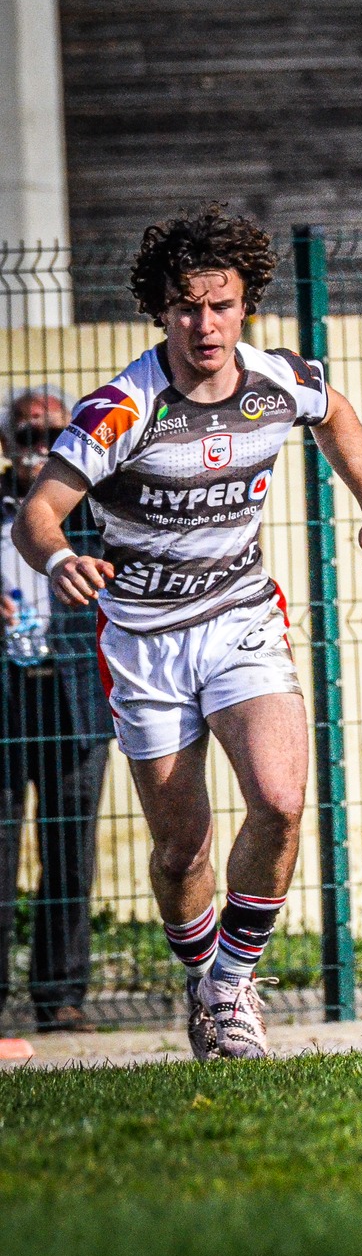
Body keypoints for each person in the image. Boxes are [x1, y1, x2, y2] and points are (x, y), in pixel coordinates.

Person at [11, 205, 362, 1059]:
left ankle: (229, 990)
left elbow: (334, 411)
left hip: (240, 622)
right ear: (162, 309)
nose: (205, 324)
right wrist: (57, 562)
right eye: (187, 306)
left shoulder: (275, 380)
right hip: (145, 643)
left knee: (280, 799)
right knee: (180, 847)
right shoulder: (122, 407)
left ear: (245, 305)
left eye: (220, 305)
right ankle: (201, 974)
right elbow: (38, 514)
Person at [1, 388, 115, 1032]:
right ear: (9, 442)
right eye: (27, 436)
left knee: (69, 851)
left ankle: (61, 998)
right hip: (6, 695)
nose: (40, 449)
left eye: (53, 437)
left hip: (74, 697)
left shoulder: (90, 509)